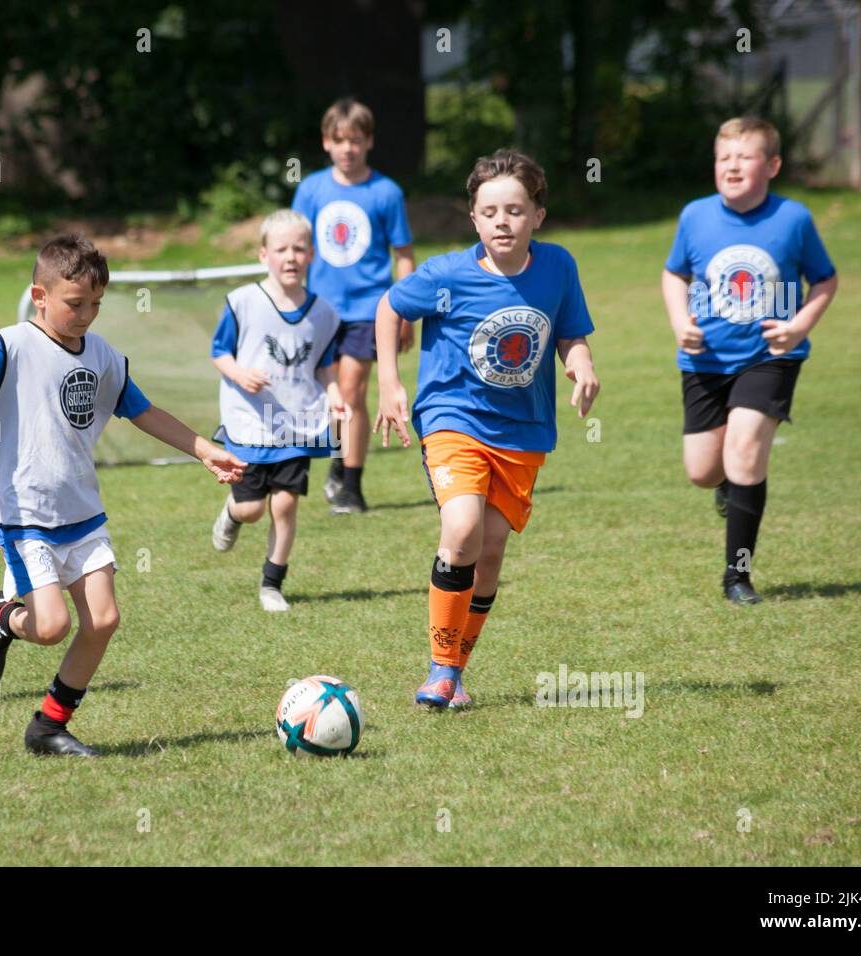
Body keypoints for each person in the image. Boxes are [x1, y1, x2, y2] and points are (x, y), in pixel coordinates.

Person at [0, 235, 245, 757]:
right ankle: (2, 617)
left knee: (103, 620)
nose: (87, 315)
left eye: (96, 304)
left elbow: (142, 411)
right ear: (40, 295)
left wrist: (204, 450)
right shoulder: (8, 348)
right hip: (24, 515)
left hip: (80, 510)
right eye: (76, 303)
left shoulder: (102, 356)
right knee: (51, 626)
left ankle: (48, 726)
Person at [375, 149, 600, 709]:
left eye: (516, 210)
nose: (503, 221)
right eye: (490, 210)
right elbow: (389, 307)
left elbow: (570, 332)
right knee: (463, 528)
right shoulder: (448, 274)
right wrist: (389, 383)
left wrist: (582, 363)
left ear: (537, 217)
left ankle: (453, 673)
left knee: (491, 552)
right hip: (453, 418)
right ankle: (440, 669)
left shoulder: (557, 268)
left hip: (523, 431)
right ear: (473, 218)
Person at [661, 117, 838, 604]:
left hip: (771, 355)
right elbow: (674, 275)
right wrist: (680, 322)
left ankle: (736, 577)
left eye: (745, 156)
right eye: (724, 158)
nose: (732, 165)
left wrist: (800, 324)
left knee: (743, 452)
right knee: (702, 471)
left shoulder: (794, 219)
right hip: (704, 359)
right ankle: (730, 485)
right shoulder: (694, 216)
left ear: (773, 165)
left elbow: (825, 279)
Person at [209, 209, 348, 611]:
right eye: (281, 249)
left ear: (312, 255)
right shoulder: (243, 302)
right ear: (262, 255)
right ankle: (233, 515)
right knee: (253, 509)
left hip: (298, 423)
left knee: (285, 504)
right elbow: (219, 351)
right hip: (250, 422)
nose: (290, 257)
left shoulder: (324, 313)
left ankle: (272, 584)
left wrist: (335, 391)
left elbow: (324, 362)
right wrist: (239, 373)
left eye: (299, 249)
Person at [293, 97, 415, 513]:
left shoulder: (386, 192)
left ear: (369, 143)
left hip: (371, 309)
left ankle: (351, 486)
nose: (348, 148)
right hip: (322, 311)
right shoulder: (311, 190)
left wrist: (406, 312)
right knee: (327, 396)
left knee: (351, 391)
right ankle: (339, 465)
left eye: (356, 140)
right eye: (339, 140)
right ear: (326, 143)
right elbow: (294, 247)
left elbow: (403, 254)